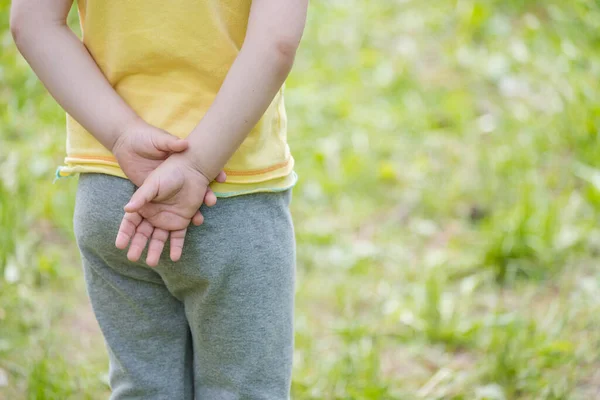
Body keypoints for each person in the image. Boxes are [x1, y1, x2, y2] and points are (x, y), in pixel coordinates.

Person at [10, 0, 307, 398]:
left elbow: (32, 23)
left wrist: (121, 134)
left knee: (142, 387)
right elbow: (277, 42)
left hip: (114, 188)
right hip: (232, 194)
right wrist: (197, 164)